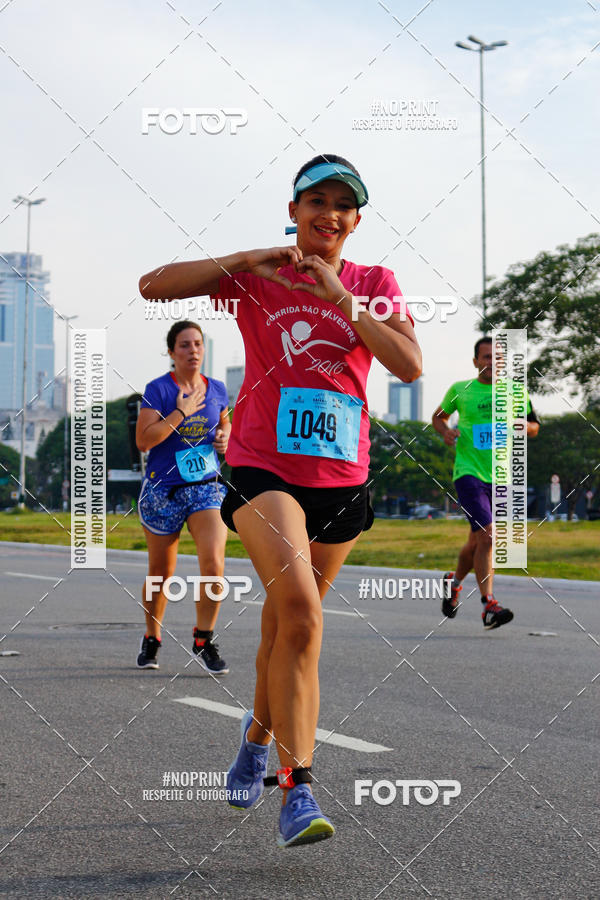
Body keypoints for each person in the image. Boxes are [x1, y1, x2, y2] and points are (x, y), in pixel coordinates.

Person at [139, 154, 421, 847]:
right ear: (294, 211)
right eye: (316, 201)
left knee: (285, 630)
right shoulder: (258, 277)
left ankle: (255, 741)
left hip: (342, 479)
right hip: (263, 469)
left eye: (343, 205)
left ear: (356, 221)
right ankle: (298, 789)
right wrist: (247, 259)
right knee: (300, 612)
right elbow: (153, 285)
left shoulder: (374, 283)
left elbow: (409, 365)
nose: (330, 214)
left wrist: (342, 299)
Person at [135, 320, 231, 674]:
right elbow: (144, 441)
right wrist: (181, 413)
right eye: (185, 345)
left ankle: (203, 639)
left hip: (205, 486)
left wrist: (225, 437)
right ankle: (152, 636)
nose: (193, 350)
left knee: (214, 564)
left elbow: (224, 423)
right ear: (172, 352)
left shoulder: (217, 389)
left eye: (198, 344)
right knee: (161, 572)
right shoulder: (158, 389)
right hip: (163, 489)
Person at [432, 336, 540, 628]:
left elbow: (534, 426)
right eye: (486, 357)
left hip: (502, 476)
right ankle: (488, 605)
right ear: (475, 361)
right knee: (489, 537)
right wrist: (445, 431)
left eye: (498, 357)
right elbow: (438, 417)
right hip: (468, 473)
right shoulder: (461, 389)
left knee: (477, 542)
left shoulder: (516, 391)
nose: (492, 362)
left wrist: (523, 425)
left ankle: (453, 583)